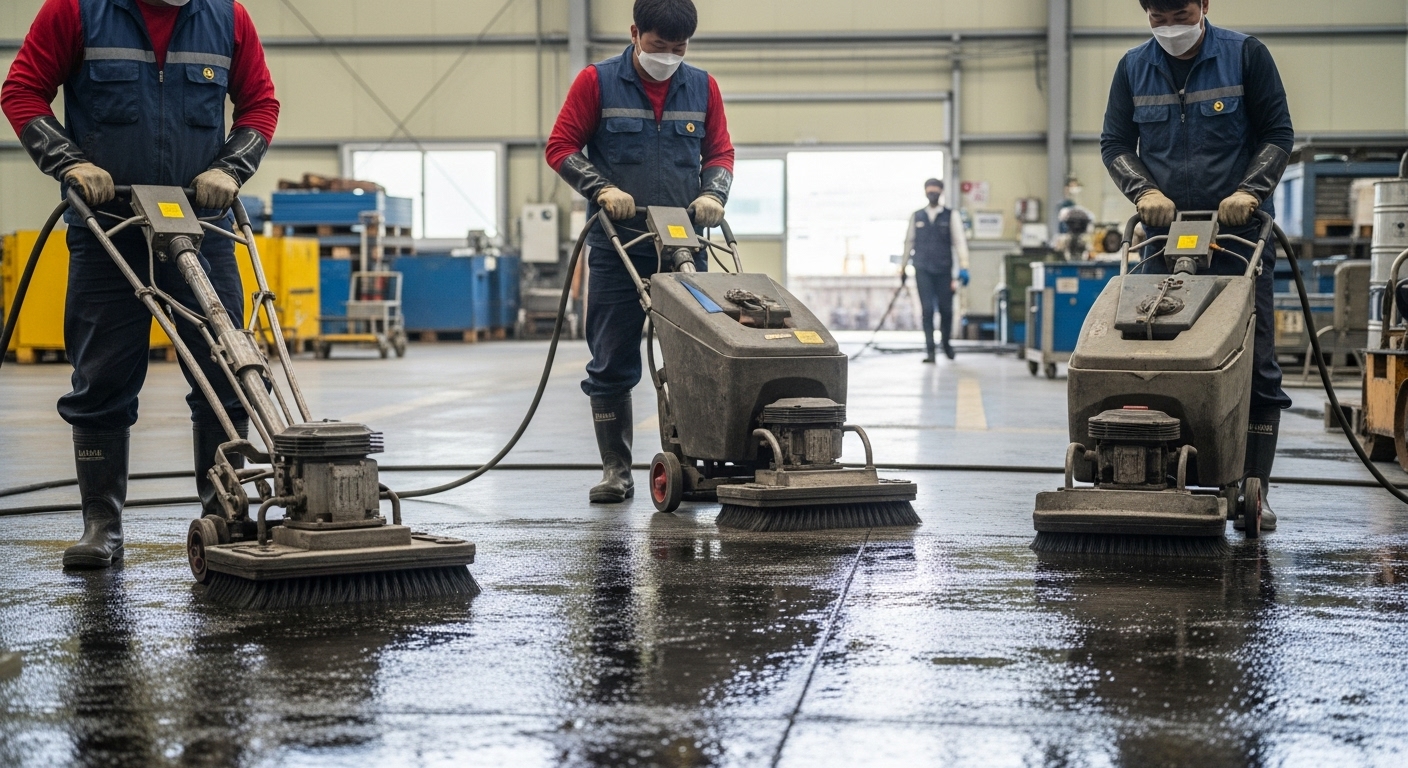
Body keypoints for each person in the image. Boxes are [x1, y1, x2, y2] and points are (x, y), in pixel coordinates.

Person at [1, 0, 280, 567]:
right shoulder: (73, 11)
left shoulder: (228, 19)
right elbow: (22, 91)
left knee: (225, 374)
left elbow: (260, 105)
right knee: (101, 379)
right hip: (109, 227)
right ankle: (102, 523)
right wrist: (68, 161)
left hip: (202, 227)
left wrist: (230, 169)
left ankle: (224, 515)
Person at [1100, 0, 1293, 530]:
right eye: (1157, 16)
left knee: (1252, 361)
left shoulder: (1246, 55)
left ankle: (1254, 486)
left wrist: (1249, 192)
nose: (1170, 26)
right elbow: (1115, 143)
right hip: (1162, 240)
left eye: (1179, 12)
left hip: (1238, 238)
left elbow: (1277, 134)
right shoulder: (1133, 67)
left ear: (1205, 5)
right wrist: (1143, 192)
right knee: (1146, 347)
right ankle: (1155, 470)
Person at [545, 0, 734, 504]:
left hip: (683, 246)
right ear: (634, 34)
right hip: (617, 243)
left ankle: (698, 463)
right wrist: (600, 187)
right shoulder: (596, 82)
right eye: (658, 46)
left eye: (679, 48)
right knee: (612, 359)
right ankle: (616, 470)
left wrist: (714, 193)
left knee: (701, 353)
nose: (668, 56)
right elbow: (561, 146)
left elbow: (719, 151)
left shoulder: (702, 86)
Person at [899, 179, 969, 362]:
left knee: (946, 310)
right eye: (929, 190)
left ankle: (946, 344)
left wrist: (964, 266)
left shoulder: (950, 215)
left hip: (944, 270)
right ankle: (930, 351)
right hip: (922, 269)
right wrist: (903, 266)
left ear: (941, 192)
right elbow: (909, 242)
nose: (932, 193)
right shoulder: (917, 216)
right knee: (927, 310)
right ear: (925, 192)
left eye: (935, 190)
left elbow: (959, 241)